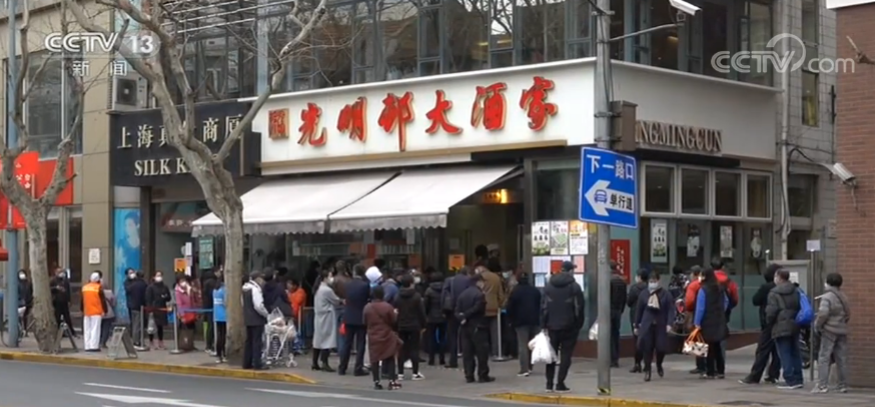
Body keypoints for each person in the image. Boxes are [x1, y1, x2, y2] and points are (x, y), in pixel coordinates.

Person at [541, 261, 585, 392]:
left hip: (551, 326)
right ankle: (560, 382)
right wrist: (578, 324)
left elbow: (543, 307)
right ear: (571, 271)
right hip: (569, 326)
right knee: (566, 355)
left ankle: (549, 383)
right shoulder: (574, 287)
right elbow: (580, 308)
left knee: (551, 355)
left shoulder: (549, 286)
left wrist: (543, 325)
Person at [740, 264, 782, 385]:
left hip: (768, 322)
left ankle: (755, 376)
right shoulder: (786, 287)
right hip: (781, 322)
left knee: (762, 350)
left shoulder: (766, 287)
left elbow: (755, 300)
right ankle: (773, 375)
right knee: (776, 350)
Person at [765, 269, 804, 390]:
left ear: (779, 277)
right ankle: (798, 378)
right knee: (795, 352)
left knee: (784, 353)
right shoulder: (796, 290)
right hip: (794, 323)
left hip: (780, 324)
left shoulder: (774, 293)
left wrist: (769, 322)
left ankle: (789, 379)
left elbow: (771, 311)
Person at [812, 272, 850, 393]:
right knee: (841, 358)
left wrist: (817, 325)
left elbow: (823, 313)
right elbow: (848, 314)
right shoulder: (843, 296)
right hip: (841, 329)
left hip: (829, 330)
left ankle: (822, 385)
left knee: (824, 357)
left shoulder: (827, 297)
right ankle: (842, 385)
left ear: (828, 283)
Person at [634, 271, 675, 382]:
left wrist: (669, 323)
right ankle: (647, 370)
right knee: (647, 349)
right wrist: (636, 324)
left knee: (661, 348)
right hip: (647, 325)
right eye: (651, 282)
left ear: (658, 281)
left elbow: (671, 310)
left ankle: (659, 364)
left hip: (660, 325)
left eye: (654, 281)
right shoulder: (644, 294)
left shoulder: (665, 294)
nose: (652, 284)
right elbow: (639, 310)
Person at [364, 285, 403, 390]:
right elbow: (393, 321)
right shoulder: (387, 307)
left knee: (375, 358)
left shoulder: (367, 307)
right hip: (386, 334)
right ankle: (391, 380)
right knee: (389, 356)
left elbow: (364, 321)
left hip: (373, 335)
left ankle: (376, 381)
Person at [456, 273, 493, 383]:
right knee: (481, 352)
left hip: (465, 326)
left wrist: (462, 317)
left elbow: (456, 310)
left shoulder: (462, 295)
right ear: (478, 282)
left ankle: (469, 375)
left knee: (468, 353)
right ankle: (483, 375)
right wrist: (467, 315)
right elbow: (479, 308)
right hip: (478, 326)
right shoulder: (479, 295)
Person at [694, 268, 729, 379]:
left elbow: (700, 308)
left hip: (707, 321)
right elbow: (726, 302)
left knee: (708, 346)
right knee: (718, 345)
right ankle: (720, 370)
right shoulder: (720, 288)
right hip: (718, 319)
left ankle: (710, 371)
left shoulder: (703, 290)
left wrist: (697, 322)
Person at [505, 272, 540, 377]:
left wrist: (510, 320)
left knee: (522, 345)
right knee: (532, 345)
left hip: (520, 321)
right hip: (534, 320)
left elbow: (510, 307)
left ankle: (524, 369)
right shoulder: (535, 290)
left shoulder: (515, 291)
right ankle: (530, 366)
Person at [338, 264, 370, 377]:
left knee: (347, 343)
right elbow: (367, 299)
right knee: (361, 343)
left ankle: (342, 367)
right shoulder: (365, 285)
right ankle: (358, 368)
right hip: (360, 317)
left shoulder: (348, 284)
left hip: (348, 316)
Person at [395, 274, 426, 380]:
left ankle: (400, 373)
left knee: (401, 349)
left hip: (401, 325)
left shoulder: (397, 296)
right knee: (414, 349)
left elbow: (395, 311)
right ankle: (415, 373)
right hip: (414, 325)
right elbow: (421, 312)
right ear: (411, 283)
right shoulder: (416, 296)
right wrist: (423, 325)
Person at [313, 270, 341, 372]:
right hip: (327, 317)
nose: (331, 278)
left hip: (319, 317)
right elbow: (336, 300)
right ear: (325, 278)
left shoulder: (318, 288)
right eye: (330, 276)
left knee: (318, 340)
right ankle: (324, 362)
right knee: (327, 341)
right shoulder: (327, 290)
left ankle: (315, 362)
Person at [444, 266, 472, 369]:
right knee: (467, 335)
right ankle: (468, 359)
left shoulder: (449, 280)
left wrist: (444, 310)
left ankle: (453, 360)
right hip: (466, 310)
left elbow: (444, 295)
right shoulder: (469, 281)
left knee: (452, 335)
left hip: (452, 310)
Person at [477, 264, 506, 359]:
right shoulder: (496, 277)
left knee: (481, 331)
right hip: (494, 307)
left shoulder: (477, 278)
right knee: (495, 332)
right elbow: (501, 294)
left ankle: (481, 351)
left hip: (480, 307)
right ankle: (496, 352)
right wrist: (499, 304)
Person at [242, 270, 269, 370]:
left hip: (248, 319)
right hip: (257, 319)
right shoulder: (255, 289)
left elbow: (242, 304)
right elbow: (258, 306)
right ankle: (257, 363)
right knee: (257, 342)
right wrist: (266, 314)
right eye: (261, 278)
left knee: (249, 341)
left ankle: (246, 363)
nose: (262, 280)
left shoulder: (245, 289)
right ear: (257, 279)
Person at [684, 266, 706, 374]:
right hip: (709, 315)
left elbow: (689, 301)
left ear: (694, 274)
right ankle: (707, 364)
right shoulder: (705, 283)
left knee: (697, 339)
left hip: (695, 313)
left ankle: (700, 365)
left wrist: (688, 310)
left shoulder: (693, 285)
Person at [627, 269, 649, 373]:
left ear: (639, 277)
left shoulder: (634, 289)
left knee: (637, 340)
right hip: (648, 316)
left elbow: (629, 302)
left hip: (635, 316)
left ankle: (637, 364)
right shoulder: (650, 289)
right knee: (647, 340)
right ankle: (647, 364)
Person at [423, 271, 447, 366]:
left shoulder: (429, 290)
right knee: (442, 338)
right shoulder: (445, 289)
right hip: (443, 316)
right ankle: (442, 358)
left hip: (431, 317)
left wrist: (426, 314)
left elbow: (426, 305)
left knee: (431, 338)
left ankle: (431, 359)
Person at [81, 272, 107, 352]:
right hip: (96, 311)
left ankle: (87, 346)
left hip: (87, 311)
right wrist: (105, 310)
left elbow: (82, 300)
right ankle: (94, 346)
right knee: (95, 329)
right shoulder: (98, 288)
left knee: (87, 329)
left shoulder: (85, 287)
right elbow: (102, 301)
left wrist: (82, 310)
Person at [145, 272, 171, 349]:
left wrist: (164, 297)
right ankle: (151, 341)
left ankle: (160, 341)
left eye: (160, 275)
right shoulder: (150, 287)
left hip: (162, 308)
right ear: (154, 277)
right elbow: (148, 298)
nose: (159, 277)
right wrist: (150, 309)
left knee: (160, 326)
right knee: (151, 327)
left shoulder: (165, 287)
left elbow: (169, 297)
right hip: (153, 309)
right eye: (157, 275)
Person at [609, 261, 628, 368]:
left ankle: (611, 358)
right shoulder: (621, 281)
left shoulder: (608, 280)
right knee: (615, 334)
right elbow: (624, 298)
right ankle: (615, 358)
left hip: (609, 310)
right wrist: (621, 310)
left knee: (609, 335)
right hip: (618, 310)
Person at [124, 269, 147, 347]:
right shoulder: (143, 284)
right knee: (137, 324)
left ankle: (136, 340)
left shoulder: (133, 284)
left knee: (135, 324)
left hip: (133, 306)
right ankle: (136, 341)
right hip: (139, 306)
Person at [51, 270, 75, 337]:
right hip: (57, 302)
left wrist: (69, 300)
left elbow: (68, 291)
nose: (62, 274)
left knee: (67, 317)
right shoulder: (53, 280)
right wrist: (56, 288)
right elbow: (49, 289)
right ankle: (58, 332)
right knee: (57, 317)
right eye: (60, 272)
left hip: (64, 301)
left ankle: (71, 332)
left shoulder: (65, 281)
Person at [175, 275, 196, 351]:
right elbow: (179, 304)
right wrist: (182, 315)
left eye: (184, 281)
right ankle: (183, 344)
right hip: (184, 313)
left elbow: (193, 300)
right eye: (181, 281)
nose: (183, 283)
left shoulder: (189, 289)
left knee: (191, 328)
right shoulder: (178, 292)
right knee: (183, 329)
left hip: (191, 312)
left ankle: (190, 344)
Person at [201, 269, 218, 354]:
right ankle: (210, 344)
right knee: (212, 326)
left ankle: (209, 344)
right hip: (212, 307)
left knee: (210, 326)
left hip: (207, 307)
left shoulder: (205, 283)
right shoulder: (212, 282)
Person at [213, 275, 227, 363]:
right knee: (223, 336)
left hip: (217, 315)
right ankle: (223, 354)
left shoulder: (214, 291)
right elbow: (226, 303)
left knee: (219, 335)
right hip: (224, 315)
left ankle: (218, 355)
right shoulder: (223, 290)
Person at [100, 278, 117, 348]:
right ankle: (103, 342)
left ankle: (99, 341)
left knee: (99, 328)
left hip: (99, 313)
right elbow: (114, 303)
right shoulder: (109, 292)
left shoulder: (96, 292)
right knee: (106, 328)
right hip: (109, 313)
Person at [18, 270, 33, 336]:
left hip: (27, 302)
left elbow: (31, 291)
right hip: (19, 303)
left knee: (25, 317)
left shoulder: (28, 283)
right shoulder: (17, 283)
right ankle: (20, 330)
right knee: (19, 317)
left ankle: (24, 330)